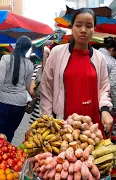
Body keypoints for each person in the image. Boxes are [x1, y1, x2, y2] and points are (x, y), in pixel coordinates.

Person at [40, 8, 113, 137]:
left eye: (88, 26)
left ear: (94, 29)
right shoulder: (57, 53)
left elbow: (103, 89)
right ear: (72, 27)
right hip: (64, 126)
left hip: (92, 127)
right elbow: (47, 89)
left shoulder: (99, 58)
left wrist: (105, 110)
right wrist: (47, 120)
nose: (83, 30)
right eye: (78, 25)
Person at [0, 36, 34, 142]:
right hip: (20, 104)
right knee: (10, 133)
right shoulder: (29, 64)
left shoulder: (6, 59)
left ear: (16, 45)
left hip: (3, 102)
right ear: (27, 49)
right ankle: (6, 155)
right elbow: (27, 85)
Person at [28, 41, 51, 124]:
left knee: (34, 135)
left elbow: (32, 91)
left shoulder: (38, 69)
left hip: (37, 111)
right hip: (52, 115)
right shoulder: (57, 71)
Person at [99, 37, 116, 112]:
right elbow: (112, 85)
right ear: (112, 50)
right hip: (102, 97)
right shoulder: (113, 63)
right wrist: (115, 105)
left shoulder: (92, 53)